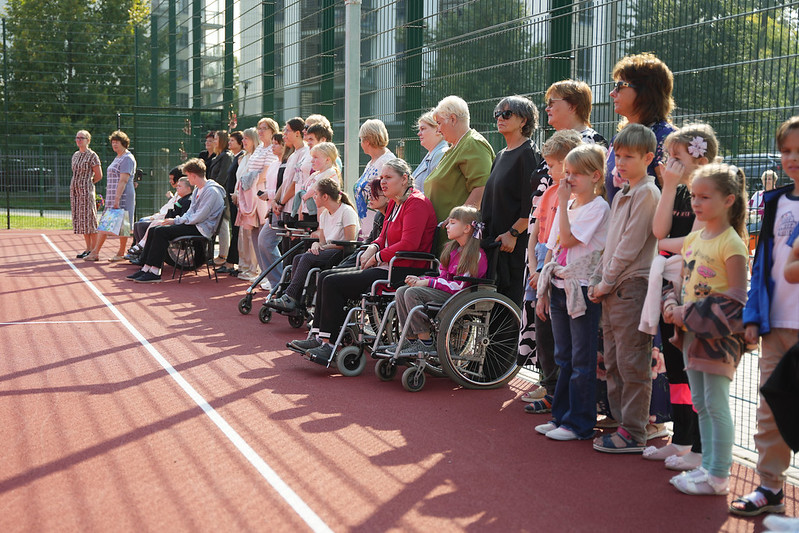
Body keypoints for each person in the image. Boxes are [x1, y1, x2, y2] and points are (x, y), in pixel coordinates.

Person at [290, 158, 437, 364]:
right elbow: (382, 237)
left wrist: (378, 256)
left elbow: (409, 244)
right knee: (325, 276)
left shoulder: (417, 203)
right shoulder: (394, 202)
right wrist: (373, 248)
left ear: (404, 179)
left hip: (402, 269)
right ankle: (318, 337)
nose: (383, 182)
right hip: (387, 265)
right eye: (381, 177)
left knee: (332, 282)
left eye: (388, 177)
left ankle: (329, 344)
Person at [663, 163, 749, 495]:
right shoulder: (696, 237)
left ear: (728, 200)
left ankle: (717, 475)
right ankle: (707, 467)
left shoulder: (732, 243)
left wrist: (687, 311)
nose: (695, 203)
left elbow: (737, 298)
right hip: (690, 334)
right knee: (700, 400)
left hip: (718, 339)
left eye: (704, 197)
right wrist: (671, 304)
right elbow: (682, 281)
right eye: (694, 196)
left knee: (716, 403)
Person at [730, 116, 799, 517]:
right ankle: (770, 487)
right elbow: (762, 266)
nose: (792, 159)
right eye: (786, 150)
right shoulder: (776, 203)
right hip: (777, 326)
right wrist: (754, 315)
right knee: (770, 410)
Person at [642, 124, 719, 471]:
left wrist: (667, 246)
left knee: (695, 372)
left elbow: (693, 243)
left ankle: (702, 450)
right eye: (668, 156)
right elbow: (659, 231)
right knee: (675, 370)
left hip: (696, 290)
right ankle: (682, 439)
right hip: (669, 288)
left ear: (700, 157)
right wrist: (670, 186)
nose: (668, 163)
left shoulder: (711, 194)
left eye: (677, 157)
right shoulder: (678, 190)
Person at [588, 123, 661, 453]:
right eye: (617, 155)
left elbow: (630, 245)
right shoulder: (625, 192)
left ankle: (634, 429)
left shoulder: (647, 192)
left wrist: (605, 280)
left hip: (632, 286)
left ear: (647, 157)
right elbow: (611, 243)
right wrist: (599, 277)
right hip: (613, 286)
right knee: (616, 360)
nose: (620, 162)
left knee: (633, 362)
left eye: (629, 156)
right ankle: (621, 421)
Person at [534, 143, 610, 441]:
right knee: (563, 355)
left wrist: (564, 202)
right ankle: (561, 417)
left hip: (581, 290)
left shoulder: (598, 207)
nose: (568, 180)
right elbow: (552, 249)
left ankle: (579, 422)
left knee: (581, 359)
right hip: (558, 287)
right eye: (567, 173)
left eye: (576, 174)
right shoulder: (569, 204)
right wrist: (543, 291)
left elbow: (566, 239)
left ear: (595, 176)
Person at [521, 130, 582, 413]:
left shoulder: (575, 197)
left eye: (554, 165)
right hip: (540, 262)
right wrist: (534, 267)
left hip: (558, 265)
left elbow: (564, 239)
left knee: (561, 333)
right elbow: (534, 234)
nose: (550, 170)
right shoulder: (548, 194)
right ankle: (550, 386)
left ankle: (561, 392)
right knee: (543, 329)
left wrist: (544, 269)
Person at [392, 205, 488, 355]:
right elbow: (442, 279)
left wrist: (428, 283)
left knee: (412, 293)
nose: (447, 226)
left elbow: (459, 287)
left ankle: (425, 342)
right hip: (449, 294)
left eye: (452, 222)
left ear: (467, 228)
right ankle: (410, 340)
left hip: (461, 297)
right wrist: (421, 279)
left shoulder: (476, 255)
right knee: (401, 291)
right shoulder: (452, 250)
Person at [481, 95, 542, 307]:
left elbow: (533, 204)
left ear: (524, 121)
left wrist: (513, 233)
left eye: (507, 114)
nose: (500, 118)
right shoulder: (500, 155)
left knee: (509, 306)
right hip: (495, 245)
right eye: (497, 114)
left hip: (514, 247)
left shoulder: (528, 154)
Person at [126, 158, 225, 283]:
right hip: (194, 224)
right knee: (154, 229)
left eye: (188, 176)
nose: (187, 179)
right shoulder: (199, 190)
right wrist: (176, 220)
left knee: (161, 232)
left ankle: (155, 272)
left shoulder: (211, 191)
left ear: (194, 176)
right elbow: (190, 212)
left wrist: (176, 221)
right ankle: (146, 268)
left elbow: (199, 216)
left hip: (201, 229)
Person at [271, 177, 359, 310]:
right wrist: (316, 245)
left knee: (307, 257)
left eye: (316, 194)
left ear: (325, 196)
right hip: (329, 250)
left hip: (343, 252)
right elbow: (322, 240)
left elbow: (349, 241)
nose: (314, 198)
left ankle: (290, 296)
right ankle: (297, 300)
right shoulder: (324, 215)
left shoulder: (347, 212)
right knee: (298, 258)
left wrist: (323, 247)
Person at [605, 53, 677, 202]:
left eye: (620, 86)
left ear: (645, 92)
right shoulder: (619, 138)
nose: (612, 93)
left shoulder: (667, 139)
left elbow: (674, 198)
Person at [425, 96, 493, 227]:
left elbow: (482, 187)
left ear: (453, 119)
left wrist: (458, 221)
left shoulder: (473, 144)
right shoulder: (456, 146)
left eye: (439, 123)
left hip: (459, 237)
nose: (438, 130)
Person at [86, 130, 136, 262]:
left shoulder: (127, 158)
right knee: (106, 223)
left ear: (124, 143)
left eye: (117, 143)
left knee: (120, 225)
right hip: (112, 195)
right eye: (113, 143)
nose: (114, 145)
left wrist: (117, 199)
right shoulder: (118, 157)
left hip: (122, 195)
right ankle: (99, 252)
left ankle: (112, 252)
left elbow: (123, 180)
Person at [126, 167, 185, 262]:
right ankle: (139, 251)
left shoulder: (185, 196)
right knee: (139, 223)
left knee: (142, 224)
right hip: (164, 216)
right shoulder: (179, 193)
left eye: (171, 179)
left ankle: (143, 253)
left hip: (169, 220)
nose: (170, 181)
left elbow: (172, 211)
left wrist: (155, 217)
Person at [352, 119, 395, 235]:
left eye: (361, 139)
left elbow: (391, 195)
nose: (360, 143)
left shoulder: (387, 161)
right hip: (368, 229)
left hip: (380, 228)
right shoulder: (371, 162)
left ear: (367, 141)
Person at [234, 127, 263, 282]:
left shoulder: (256, 157)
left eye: (247, 139)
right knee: (243, 235)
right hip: (240, 199)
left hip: (251, 200)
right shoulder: (244, 157)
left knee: (251, 235)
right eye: (243, 138)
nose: (243, 141)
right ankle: (244, 265)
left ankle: (254, 268)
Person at [70, 130, 103, 258]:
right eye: (77, 138)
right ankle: (88, 248)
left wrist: (87, 184)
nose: (78, 140)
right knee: (82, 220)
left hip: (86, 191)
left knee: (90, 220)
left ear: (88, 140)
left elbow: (99, 175)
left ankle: (94, 250)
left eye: (81, 138)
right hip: (75, 191)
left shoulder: (92, 155)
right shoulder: (75, 155)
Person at [215, 130, 244, 275]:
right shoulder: (235, 158)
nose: (230, 142)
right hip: (232, 198)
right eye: (230, 140)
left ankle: (232, 263)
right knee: (235, 231)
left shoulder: (241, 158)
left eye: (233, 140)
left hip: (237, 200)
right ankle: (231, 263)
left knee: (236, 231)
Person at [298, 142, 341, 222]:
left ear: (327, 160)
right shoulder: (315, 174)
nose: (312, 161)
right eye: (312, 157)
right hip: (308, 214)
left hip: (321, 218)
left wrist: (319, 228)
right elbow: (303, 193)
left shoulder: (330, 172)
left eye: (315, 157)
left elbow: (315, 189)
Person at [411, 110, 448, 195]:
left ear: (437, 129)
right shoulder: (432, 153)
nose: (418, 133)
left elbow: (435, 191)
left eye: (423, 129)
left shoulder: (441, 153)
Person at [748, 169, 778, 235]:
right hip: (752, 220)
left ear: (774, 181)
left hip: (767, 223)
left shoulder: (777, 195)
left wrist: (756, 212)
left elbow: (771, 210)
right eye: (765, 179)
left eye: (769, 179)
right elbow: (748, 205)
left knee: (747, 230)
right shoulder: (757, 194)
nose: (767, 181)